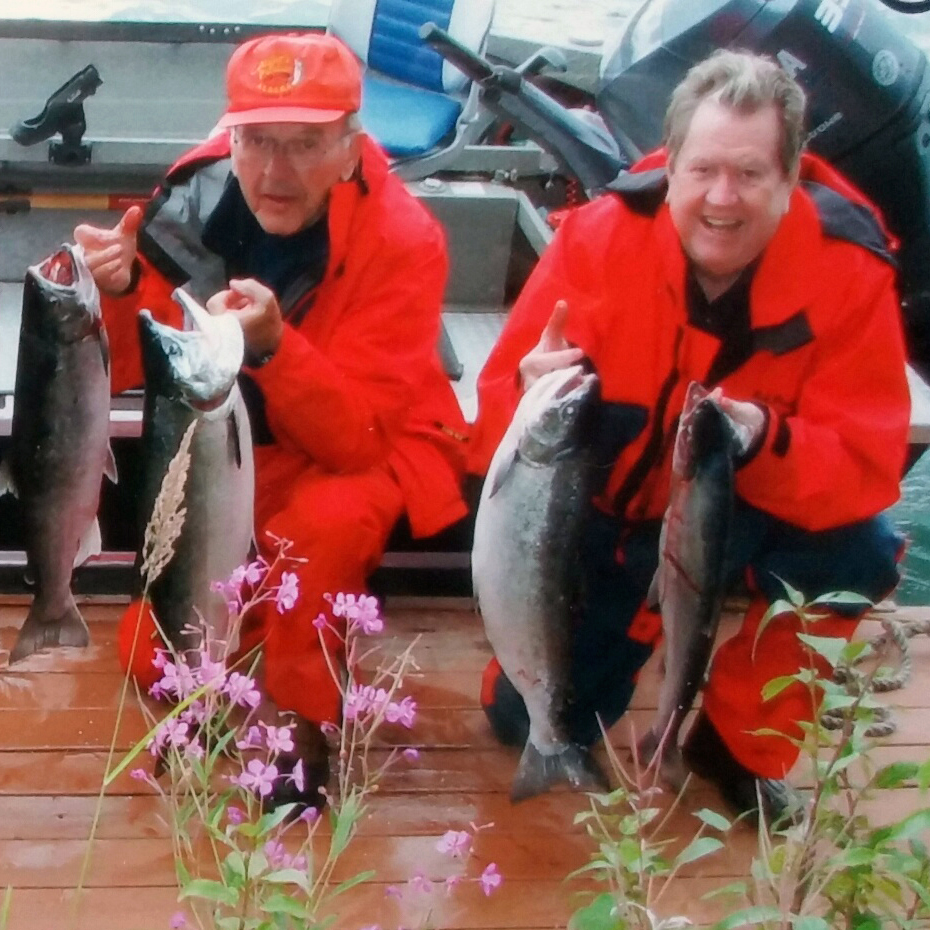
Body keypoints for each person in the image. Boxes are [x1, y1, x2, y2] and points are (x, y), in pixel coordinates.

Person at [468, 49, 910, 824]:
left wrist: (766, 438)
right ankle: (590, 672)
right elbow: (486, 440)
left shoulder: (850, 270)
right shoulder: (598, 240)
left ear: (791, 175)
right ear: (669, 168)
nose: (723, 199)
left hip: (742, 506)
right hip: (609, 530)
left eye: (750, 175)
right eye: (702, 170)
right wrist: (522, 393)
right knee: (524, 719)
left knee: (862, 550)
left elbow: (866, 467)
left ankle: (741, 744)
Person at [74, 33, 468, 807]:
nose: (273, 171)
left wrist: (276, 348)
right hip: (240, 440)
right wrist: (114, 295)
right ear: (231, 134)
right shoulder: (186, 201)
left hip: (368, 442)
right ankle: (260, 648)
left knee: (317, 534)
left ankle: (305, 722)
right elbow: (138, 368)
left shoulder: (406, 239)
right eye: (257, 141)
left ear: (351, 148)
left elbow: (353, 440)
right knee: (152, 659)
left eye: (305, 145)